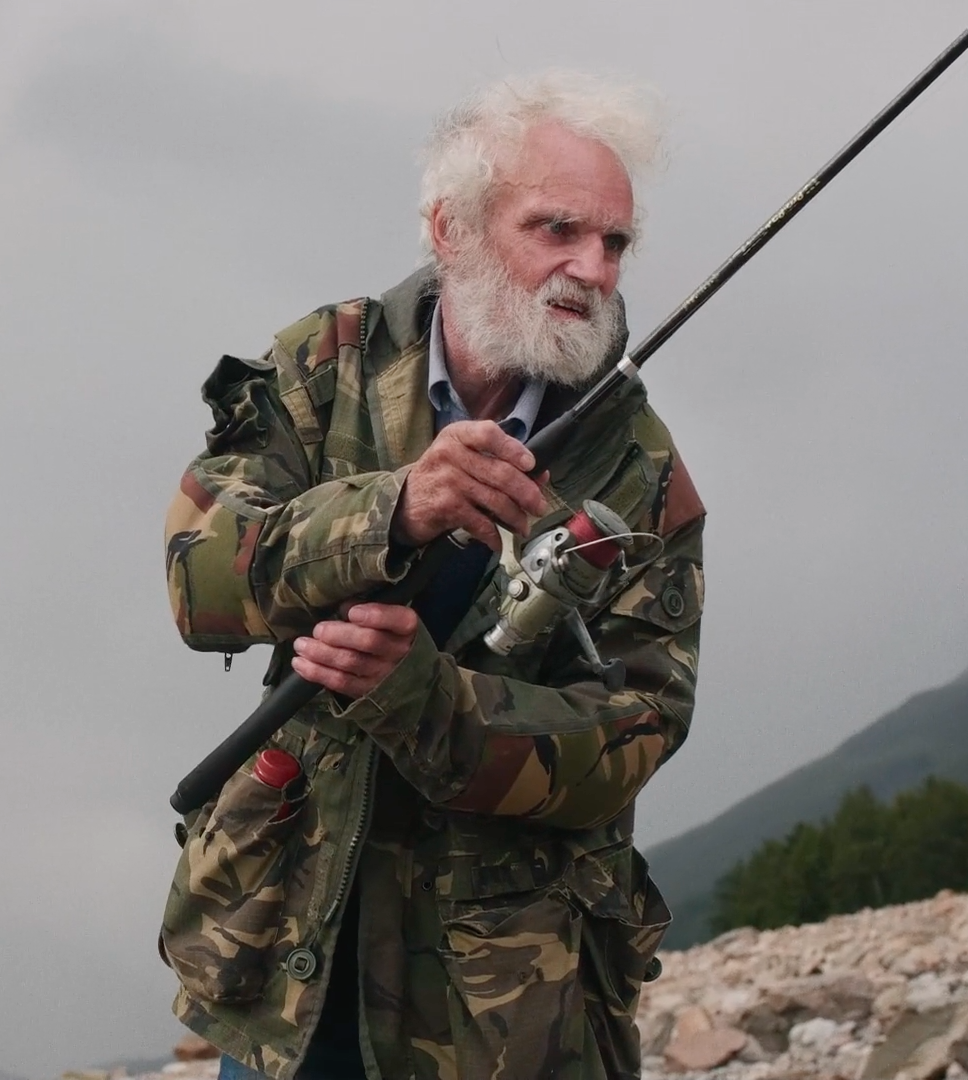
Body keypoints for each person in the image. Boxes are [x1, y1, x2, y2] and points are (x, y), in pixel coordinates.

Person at [158, 72, 707, 1080]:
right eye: (557, 230)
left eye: (615, 241)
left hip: (499, 1010)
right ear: (451, 229)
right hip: (288, 950)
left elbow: (637, 729)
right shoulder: (322, 367)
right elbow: (199, 581)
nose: (592, 267)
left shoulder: (643, 469)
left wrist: (424, 700)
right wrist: (391, 511)